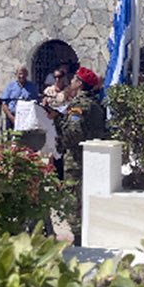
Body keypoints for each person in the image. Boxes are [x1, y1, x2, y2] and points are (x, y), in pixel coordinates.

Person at [46, 67, 106, 245]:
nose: (70, 82)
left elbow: (74, 134)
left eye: (73, 80)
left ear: (79, 83)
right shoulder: (95, 103)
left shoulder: (79, 106)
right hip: (92, 158)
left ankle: (78, 240)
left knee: (74, 199)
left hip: (77, 160)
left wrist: (57, 120)